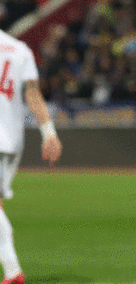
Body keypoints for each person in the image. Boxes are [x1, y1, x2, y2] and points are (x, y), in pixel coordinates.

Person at [0, 30, 62, 284]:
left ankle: (13, 271)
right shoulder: (20, 50)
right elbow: (33, 93)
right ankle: (12, 270)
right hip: (12, 139)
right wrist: (49, 133)